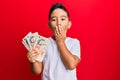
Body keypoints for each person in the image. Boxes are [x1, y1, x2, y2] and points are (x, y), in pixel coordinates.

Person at [27, 3, 81, 80]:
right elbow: (37, 71)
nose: (58, 23)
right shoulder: (43, 43)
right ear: (49, 25)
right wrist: (33, 61)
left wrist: (60, 42)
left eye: (62, 19)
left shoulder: (74, 42)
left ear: (69, 24)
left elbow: (71, 65)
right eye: (54, 19)